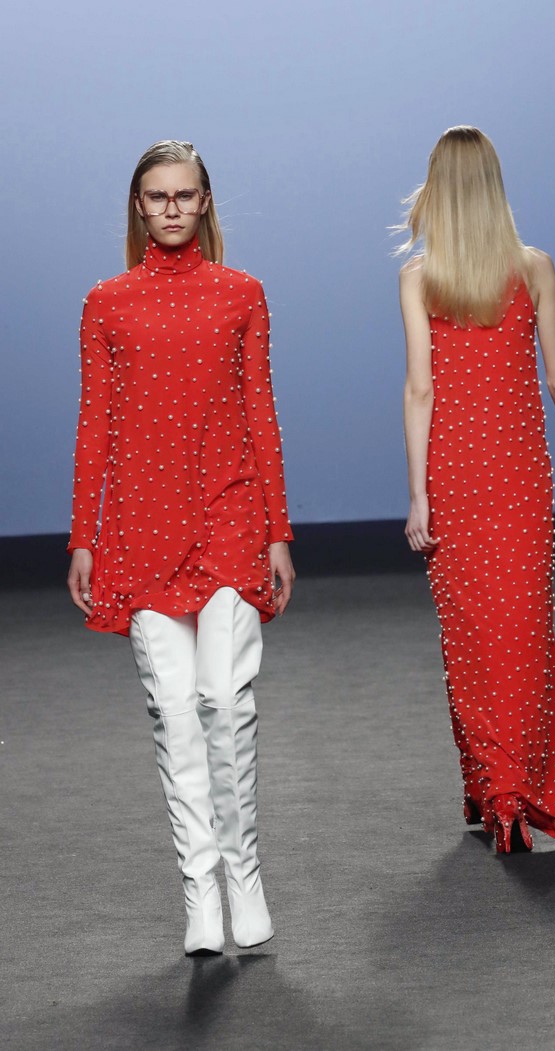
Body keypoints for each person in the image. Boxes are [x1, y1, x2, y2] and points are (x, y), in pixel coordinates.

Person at [66, 140, 295, 952]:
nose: (171, 208)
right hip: (140, 526)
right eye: (157, 195)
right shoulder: (107, 303)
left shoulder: (241, 294)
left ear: (204, 202)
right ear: (139, 205)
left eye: (184, 195)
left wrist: (278, 529)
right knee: (173, 712)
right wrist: (84, 535)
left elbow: (260, 411)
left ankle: (244, 874)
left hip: (229, 514)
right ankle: (201, 890)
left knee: (225, 702)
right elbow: (95, 422)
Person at [397, 125, 555, 854]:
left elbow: (420, 389)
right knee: (522, 631)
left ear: (437, 189)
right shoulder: (533, 268)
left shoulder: (421, 278)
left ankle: (497, 792)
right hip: (517, 475)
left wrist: (418, 494)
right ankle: (512, 794)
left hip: (454, 476)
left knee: (473, 637)